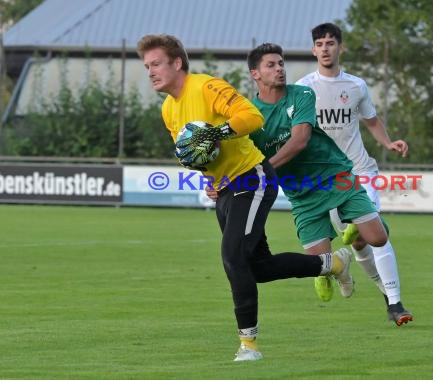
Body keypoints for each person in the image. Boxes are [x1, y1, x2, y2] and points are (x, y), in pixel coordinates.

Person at [136, 34, 352, 362]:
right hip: (223, 190)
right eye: (146, 66)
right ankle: (331, 263)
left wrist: (216, 133)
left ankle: (248, 345)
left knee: (233, 256)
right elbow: (192, 152)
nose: (150, 71)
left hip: (252, 179)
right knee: (258, 268)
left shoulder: (206, 86)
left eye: (156, 64)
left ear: (176, 63)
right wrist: (207, 174)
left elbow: (252, 117)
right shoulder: (169, 109)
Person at [244, 42, 392, 308]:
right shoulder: (250, 115)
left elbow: (300, 140)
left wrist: (263, 172)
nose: (279, 69)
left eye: (281, 63)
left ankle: (359, 221)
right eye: (271, 65)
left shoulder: (301, 94)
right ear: (255, 73)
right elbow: (238, 155)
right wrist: (218, 181)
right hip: (301, 193)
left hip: (334, 175)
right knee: (319, 263)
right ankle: (341, 267)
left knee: (378, 239)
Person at [296, 22, 413, 326]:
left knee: (375, 235)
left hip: (359, 170)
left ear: (340, 48)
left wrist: (389, 142)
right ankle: (382, 292)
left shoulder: (356, 86)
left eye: (331, 43)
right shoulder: (302, 88)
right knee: (359, 243)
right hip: (326, 178)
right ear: (313, 50)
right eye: (320, 44)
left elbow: (371, 121)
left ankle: (395, 302)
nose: (325, 48)